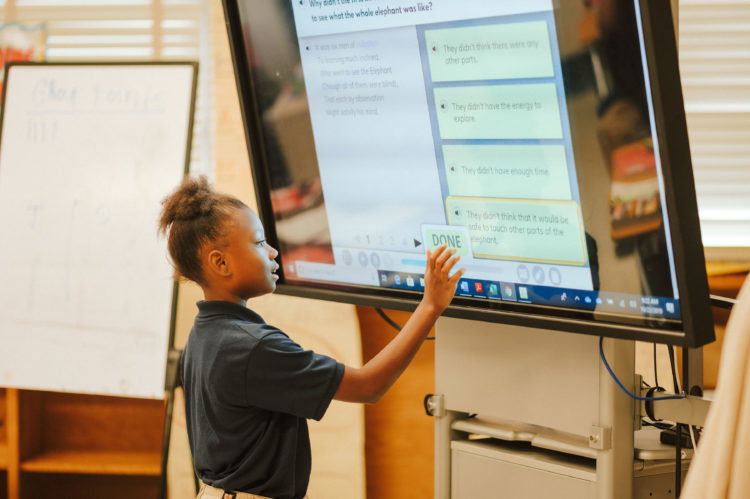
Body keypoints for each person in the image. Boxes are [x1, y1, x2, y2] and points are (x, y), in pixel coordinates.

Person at [158, 176, 464, 499]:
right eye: (259, 243)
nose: (273, 252)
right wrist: (430, 305)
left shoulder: (202, 333)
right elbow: (368, 386)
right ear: (220, 262)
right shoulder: (253, 348)